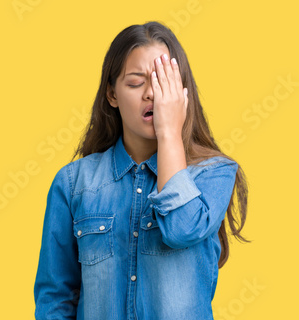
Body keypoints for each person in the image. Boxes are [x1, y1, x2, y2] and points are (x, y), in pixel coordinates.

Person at [33, 21, 249, 320]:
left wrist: (170, 134)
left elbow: (181, 230)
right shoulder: (72, 183)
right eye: (136, 83)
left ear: (181, 92)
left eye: (163, 82)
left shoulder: (214, 174)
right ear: (112, 95)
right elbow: (56, 297)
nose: (152, 94)